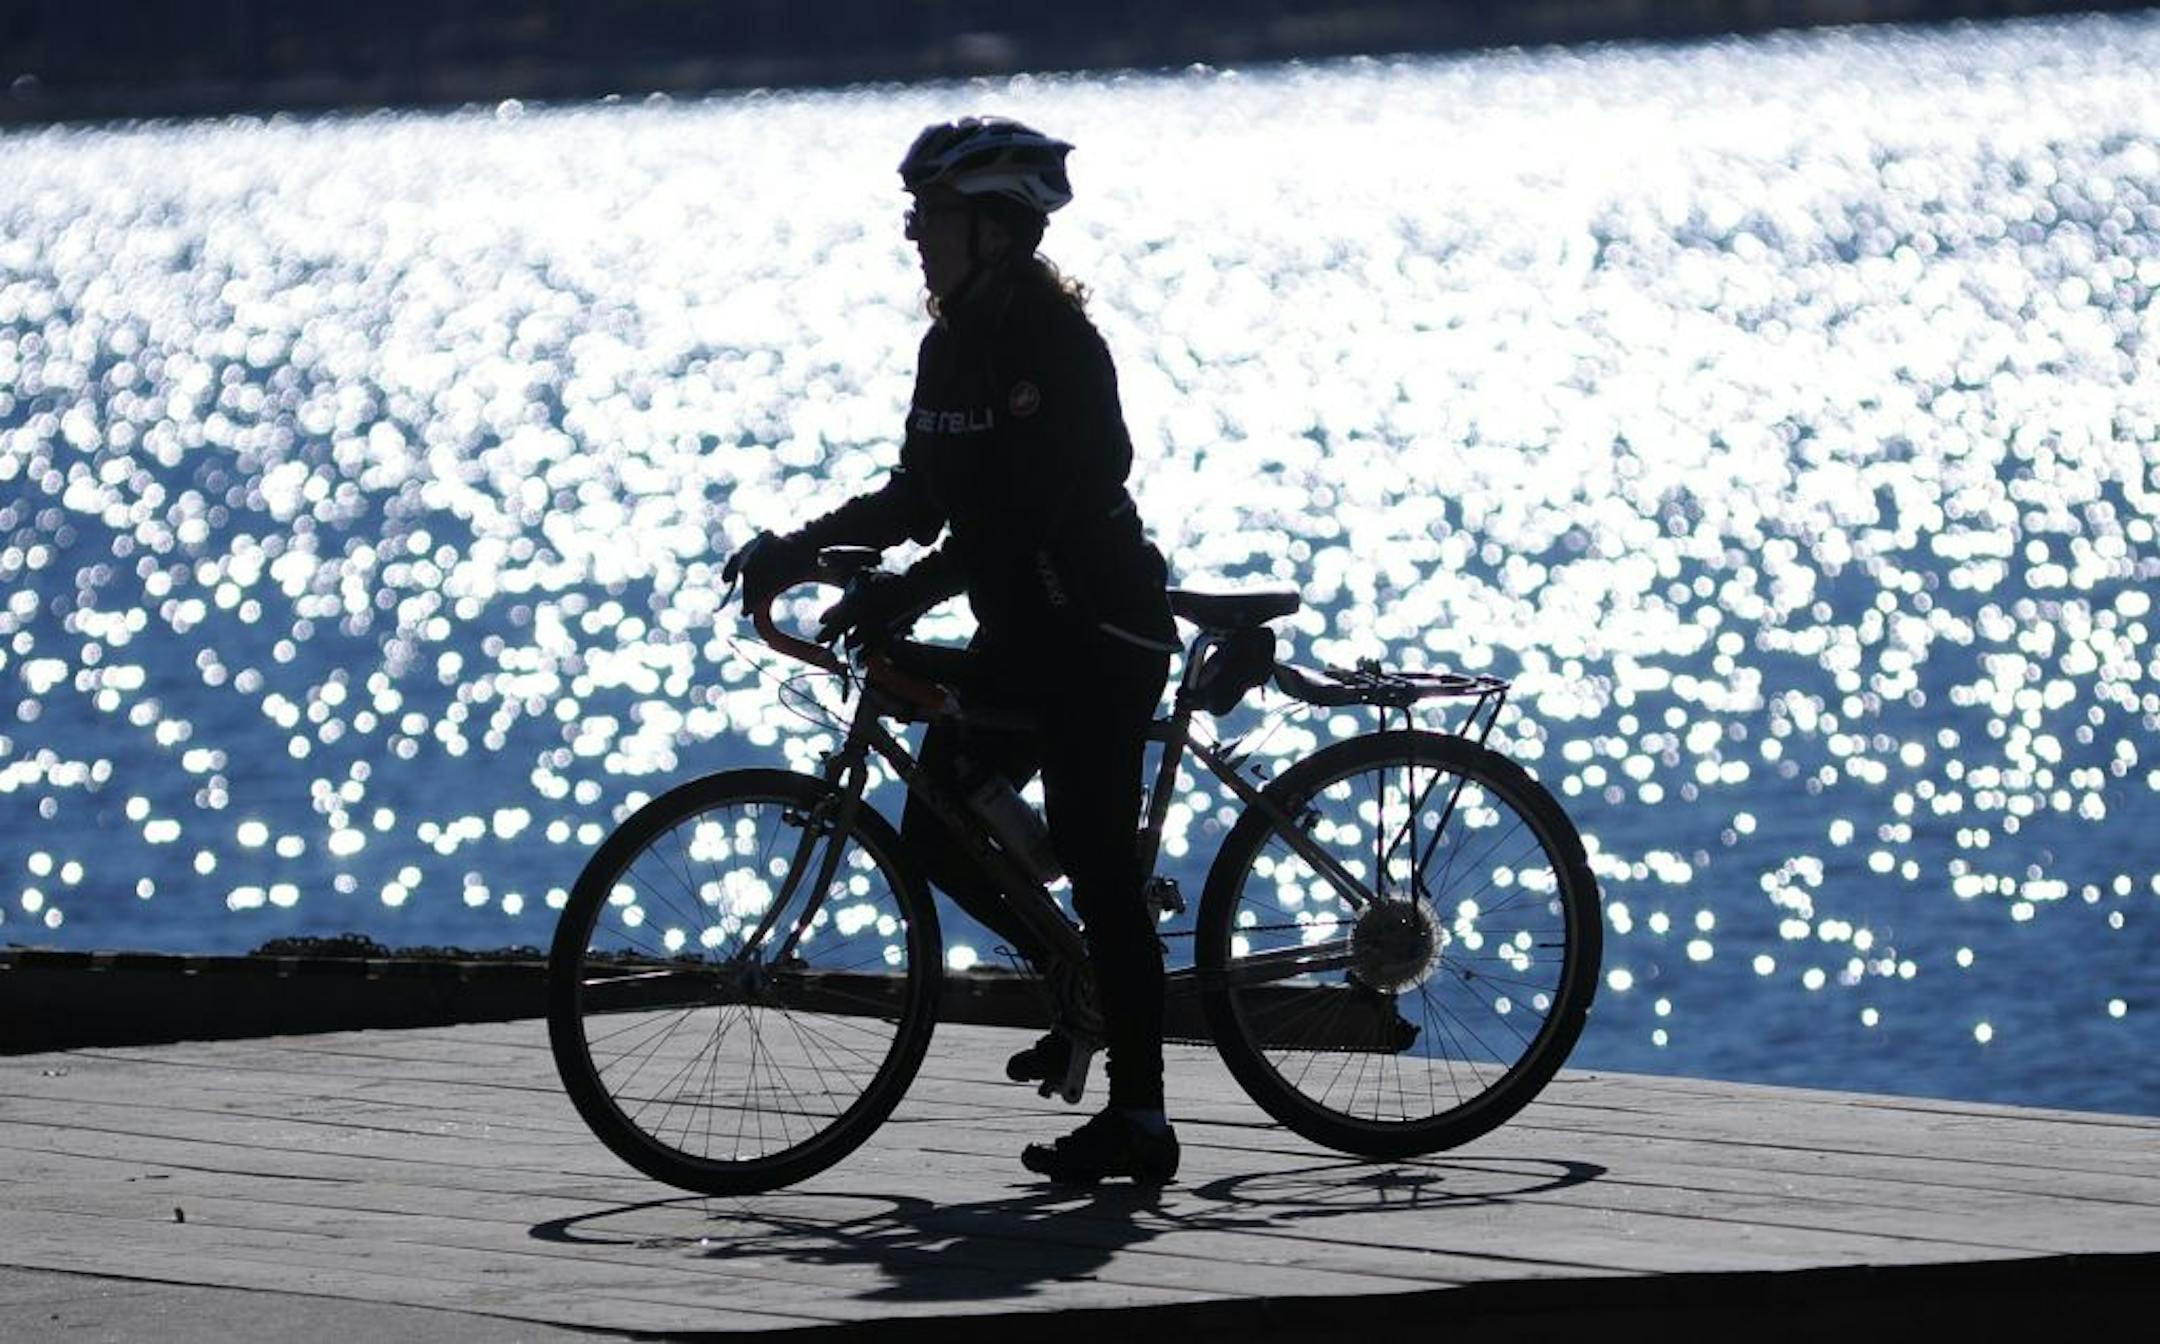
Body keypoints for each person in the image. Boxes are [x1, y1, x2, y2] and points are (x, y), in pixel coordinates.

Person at [723, 117, 1181, 1185]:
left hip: (1102, 633)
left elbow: (1039, 505)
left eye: (930, 217)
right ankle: (1076, 983)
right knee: (932, 835)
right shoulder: (952, 344)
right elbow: (922, 496)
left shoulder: (1056, 342)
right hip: (1023, 636)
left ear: (995, 227)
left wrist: (912, 587)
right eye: (916, 217)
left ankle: (1144, 1121)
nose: (914, 236)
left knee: (1095, 854)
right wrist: (797, 550)